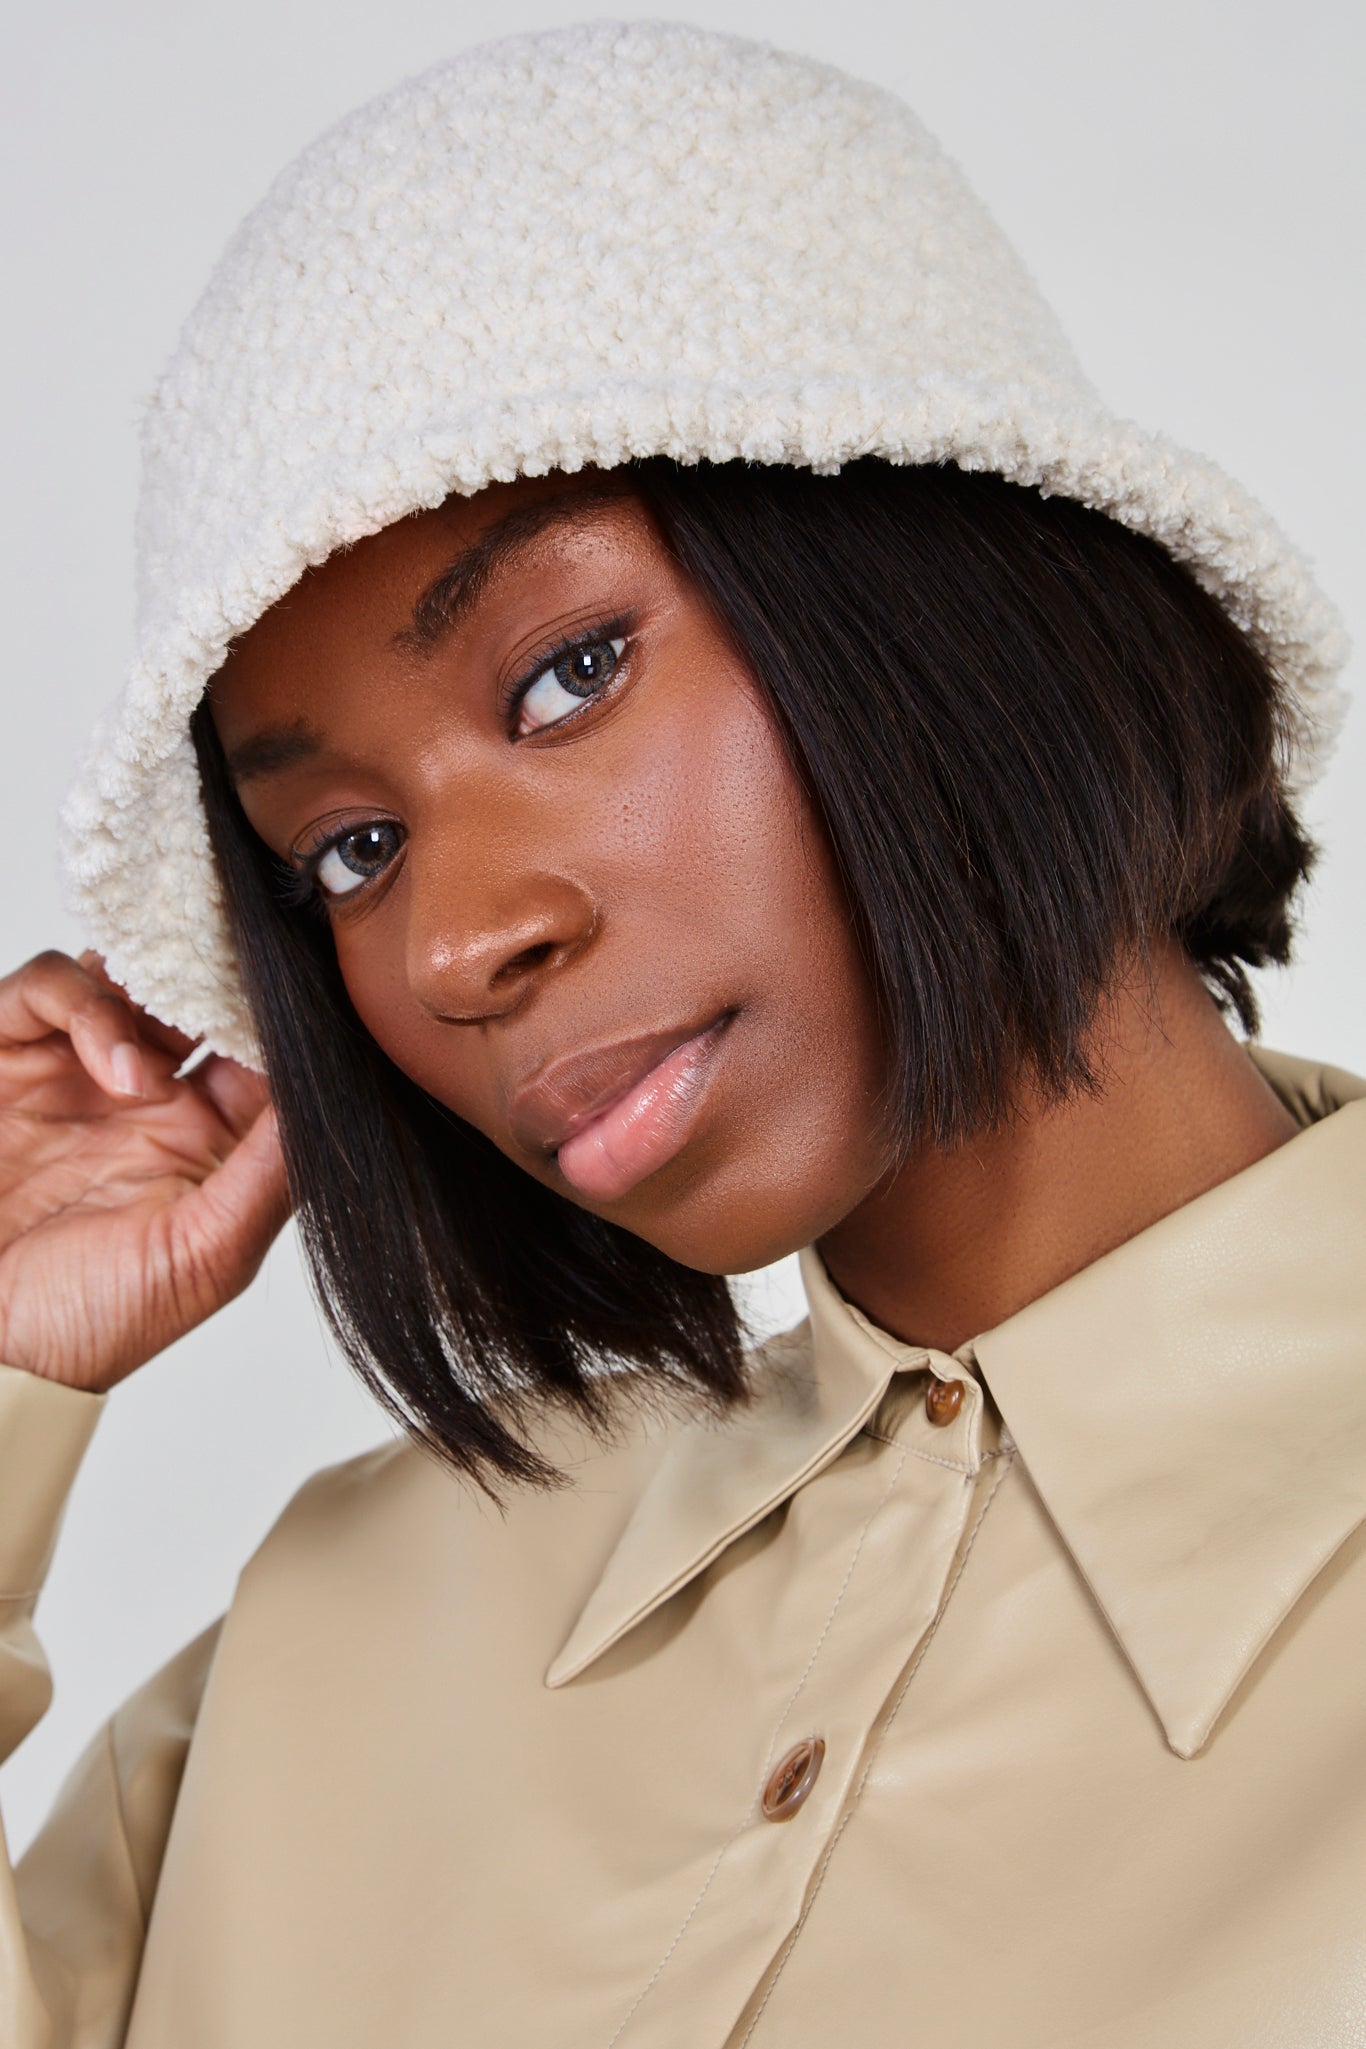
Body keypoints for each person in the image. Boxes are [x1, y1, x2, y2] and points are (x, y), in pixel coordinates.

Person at [1, 21, 1361, 2047]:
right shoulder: (337, 1648)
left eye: (564, 673)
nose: (458, 937)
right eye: (351, 848)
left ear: (940, 580)